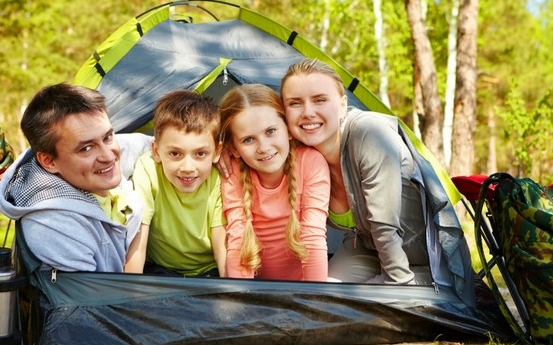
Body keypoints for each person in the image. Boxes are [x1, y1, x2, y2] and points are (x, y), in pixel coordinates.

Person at [279, 58, 430, 284]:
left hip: (419, 260)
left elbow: (384, 225)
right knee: (319, 295)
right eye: (295, 103)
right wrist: (224, 159)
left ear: (342, 105)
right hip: (364, 250)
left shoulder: (368, 132)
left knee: (350, 308)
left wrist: (396, 285)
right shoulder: (297, 154)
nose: (308, 112)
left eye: (320, 100)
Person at [0, 83, 152, 272]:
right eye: (86, 148)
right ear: (49, 161)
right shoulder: (54, 228)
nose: (109, 156)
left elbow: (158, 144)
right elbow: (93, 299)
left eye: (108, 137)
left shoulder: (100, 166)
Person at [219, 84, 330, 281]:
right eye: (248, 140)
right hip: (257, 290)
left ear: (288, 129)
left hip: (307, 286)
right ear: (233, 149)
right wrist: (242, 302)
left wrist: (316, 300)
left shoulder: (310, 162)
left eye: (270, 131)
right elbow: (238, 243)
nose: (264, 147)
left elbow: (313, 239)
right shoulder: (233, 172)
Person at [131, 90, 226, 277]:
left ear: (217, 152)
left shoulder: (219, 178)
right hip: (160, 269)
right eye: (175, 154)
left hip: (209, 270)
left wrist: (231, 299)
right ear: (157, 151)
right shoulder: (148, 169)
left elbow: (223, 251)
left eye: (200, 154)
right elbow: (137, 247)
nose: (188, 167)